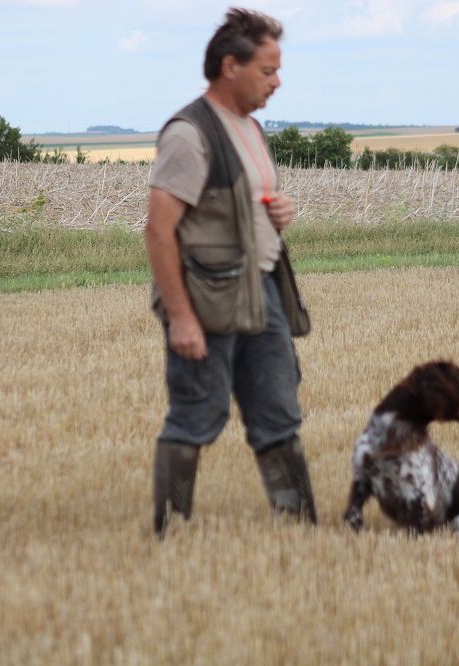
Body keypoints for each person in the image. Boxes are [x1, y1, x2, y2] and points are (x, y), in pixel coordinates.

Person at [145, 8, 316, 537]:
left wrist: (277, 212)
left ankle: (300, 528)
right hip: (208, 299)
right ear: (229, 67)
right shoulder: (189, 135)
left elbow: (243, 207)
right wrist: (181, 318)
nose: (277, 81)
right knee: (198, 413)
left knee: (278, 409)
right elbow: (159, 230)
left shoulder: (252, 128)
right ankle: (170, 530)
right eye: (268, 70)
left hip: (262, 289)